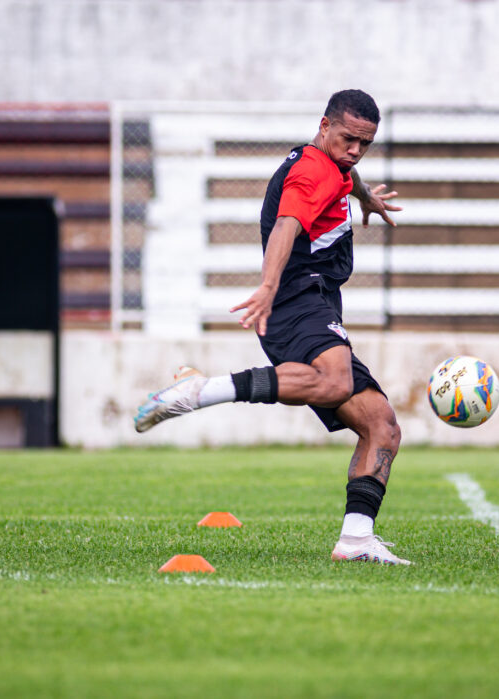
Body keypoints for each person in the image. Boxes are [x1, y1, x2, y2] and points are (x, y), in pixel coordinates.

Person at [134, 89, 411, 564]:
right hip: (295, 298)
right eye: (348, 139)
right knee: (336, 380)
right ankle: (202, 390)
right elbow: (286, 224)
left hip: (314, 299)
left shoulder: (332, 162)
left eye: (365, 144)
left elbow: (346, 171)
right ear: (324, 125)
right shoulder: (311, 172)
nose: (355, 151)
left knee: (382, 426)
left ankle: (357, 540)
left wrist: (365, 196)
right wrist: (267, 285)